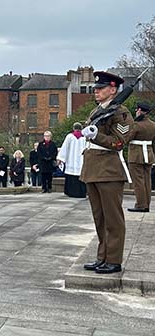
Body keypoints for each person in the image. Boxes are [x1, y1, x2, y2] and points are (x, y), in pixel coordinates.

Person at [80, 71, 135, 274]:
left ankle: (114, 259)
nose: (96, 91)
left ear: (113, 90)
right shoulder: (96, 112)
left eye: (101, 88)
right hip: (93, 168)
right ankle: (102, 256)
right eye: (95, 88)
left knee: (113, 218)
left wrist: (96, 137)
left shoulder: (121, 113)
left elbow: (119, 143)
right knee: (99, 218)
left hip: (109, 170)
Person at [126, 102, 155, 212]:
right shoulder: (153, 124)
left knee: (138, 181)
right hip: (148, 154)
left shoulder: (136, 125)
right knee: (147, 181)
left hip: (136, 155)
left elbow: (127, 138)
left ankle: (140, 205)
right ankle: (146, 203)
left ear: (139, 110)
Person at [57, 123, 87, 198]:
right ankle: (81, 193)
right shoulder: (85, 137)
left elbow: (64, 148)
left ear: (74, 128)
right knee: (80, 177)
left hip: (71, 160)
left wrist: (60, 158)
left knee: (71, 177)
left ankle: (71, 192)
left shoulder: (70, 136)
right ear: (81, 128)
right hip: (81, 161)